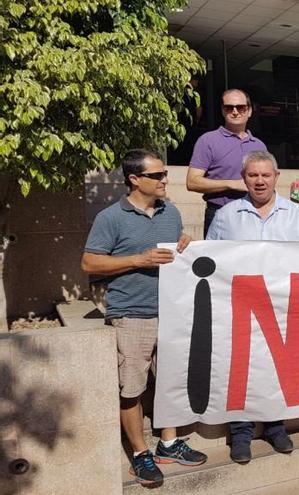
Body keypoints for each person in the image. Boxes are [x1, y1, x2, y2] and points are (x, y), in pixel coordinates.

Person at [82, 149, 207, 487]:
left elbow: (175, 249)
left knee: (169, 381)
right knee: (132, 388)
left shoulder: (171, 211)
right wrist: (138, 260)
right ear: (135, 179)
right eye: (157, 175)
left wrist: (184, 243)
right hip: (131, 313)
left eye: (165, 173)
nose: (165, 179)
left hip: (171, 309)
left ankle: (168, 443)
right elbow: (90, 264)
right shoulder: (111, 217)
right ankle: (140, 454)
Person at [206, 150, 299, 463]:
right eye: (253, 175)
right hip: (241, 308)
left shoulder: (297, 215)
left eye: (265, 175)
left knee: (276, 369)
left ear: (276, 178)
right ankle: (240, 432)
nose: (259, 181)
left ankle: (274, 425)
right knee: (239, 369)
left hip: (283, 309)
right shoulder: (226, 216)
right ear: (244, 179)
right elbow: (211, 261)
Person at [186, 89, 267, 237]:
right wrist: (232, 184)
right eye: (229, 107)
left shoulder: (259, 145)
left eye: (241, 107)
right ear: (223, 111)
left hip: (254, 211)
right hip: (220, 211)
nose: (235, 112)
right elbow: (192, 182)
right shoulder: (208, 141)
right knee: (218, 259)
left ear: (249, 111)